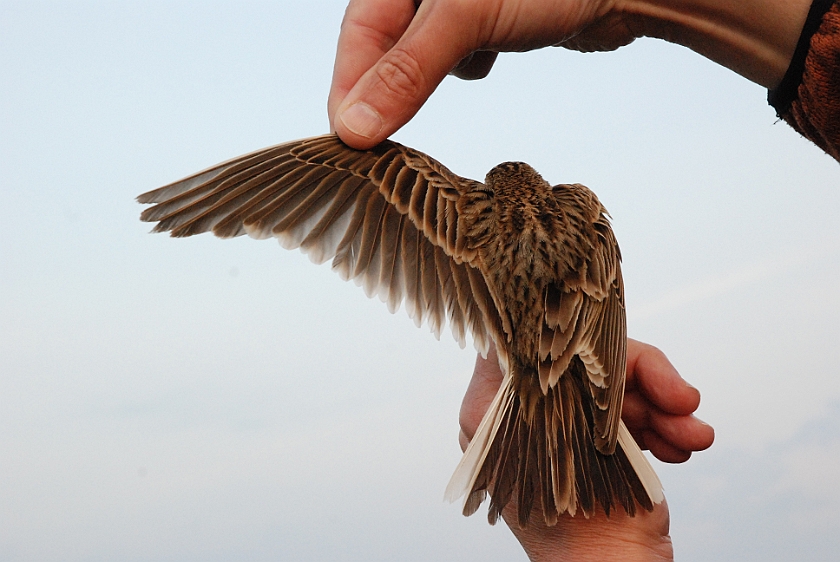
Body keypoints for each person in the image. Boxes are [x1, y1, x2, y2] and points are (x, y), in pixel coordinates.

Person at [326, 0, 840, 559]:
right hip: (580, 368)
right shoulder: (582, 212)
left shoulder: (471, 218)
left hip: (530, 382)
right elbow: (607, 303)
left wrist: (599, 544)